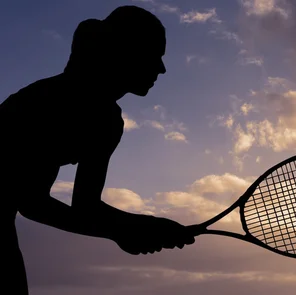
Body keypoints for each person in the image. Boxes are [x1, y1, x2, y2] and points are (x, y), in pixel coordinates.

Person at [0, 6, 195, 294]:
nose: (161, 68)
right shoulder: (58, 105)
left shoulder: (102, 119)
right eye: (155, 54)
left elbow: (79, 206)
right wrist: (126, 230)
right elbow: (33, 203)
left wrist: (136, 227)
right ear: (127, 53)